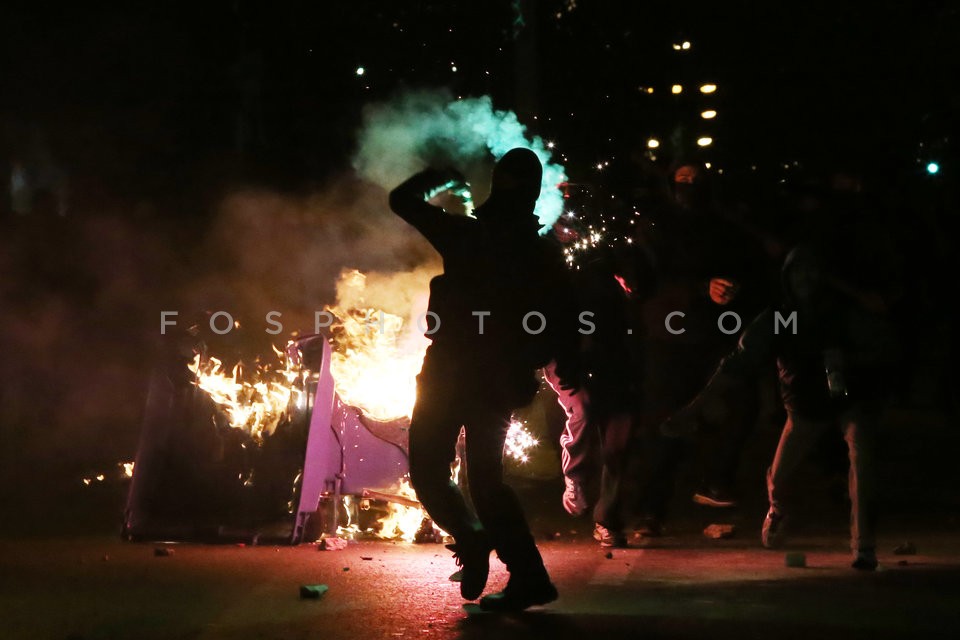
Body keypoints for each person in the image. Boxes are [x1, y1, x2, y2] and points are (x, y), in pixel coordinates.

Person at [389, 148, 578, 611]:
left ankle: (474, 539)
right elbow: (563, 324)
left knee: (430, 470)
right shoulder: (544, 255)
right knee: (487, 482)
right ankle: (528, 576)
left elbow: (402, 200)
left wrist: (438, 176)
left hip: (452, 371)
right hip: (497, 379)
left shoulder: (468, 236)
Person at [663, 240, 903, 570]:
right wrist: (692, 409)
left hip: (851, 400)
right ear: (788, 278)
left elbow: (885, 348)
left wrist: (848, 360)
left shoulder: (842, 312)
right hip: (805, 406)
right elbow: (737, 363)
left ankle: (864, 546)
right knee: (780, 476)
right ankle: (778, 510)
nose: (806, 280)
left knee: (863, 463)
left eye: (812, 272)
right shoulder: (780, 318)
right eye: (799, 273)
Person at [628, 160, 772, 534]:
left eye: (696, 180)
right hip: (669, 335)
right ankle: (650, 510)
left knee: (742, 406)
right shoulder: (655, 227)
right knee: (663, 421)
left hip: (715, 335)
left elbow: (748, 266)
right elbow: (648, 279)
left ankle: (715, 480)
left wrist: (732, 289)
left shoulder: (723, 225)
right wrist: (697, 289)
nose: (689, 185)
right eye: (682, 179)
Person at [541, 244, 638, 548]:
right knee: (582, 409)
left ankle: (607, 519)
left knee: (618, 442)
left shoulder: (619, 287)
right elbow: (553, 330)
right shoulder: (562, 282)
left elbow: (626, 336)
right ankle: (575, 478)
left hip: (612, 365)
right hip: (566, 361)